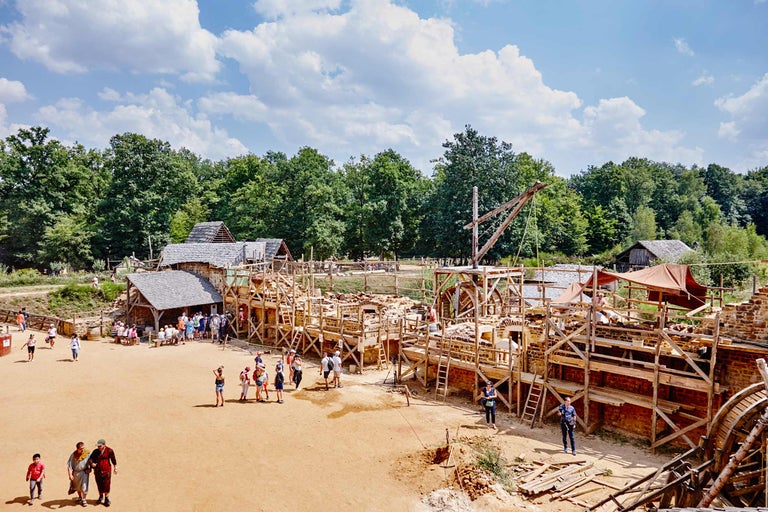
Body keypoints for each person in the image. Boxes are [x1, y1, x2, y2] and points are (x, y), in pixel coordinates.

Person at [89, 439, 117, 507]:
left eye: (100, 446)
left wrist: (115, 467)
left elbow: (113, 459)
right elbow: (90, 459)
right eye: (98, 446)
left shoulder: (109, 450)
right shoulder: (95, 451)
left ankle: (107, 499)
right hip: (98, 471)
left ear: (104, 445)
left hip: (106, 470)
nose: (98, 447)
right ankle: (101, 496)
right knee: (99, 484)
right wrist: (92, 464)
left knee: (107, 484)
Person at [67, 441, 91, 507]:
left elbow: (91, 461)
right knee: (77, 487)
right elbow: (69, 466)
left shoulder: (87, 453)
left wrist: (90, 468)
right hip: (76, 473)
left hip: (84, 472)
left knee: (84, 486)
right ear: (77, 449)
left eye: (83, 448)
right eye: (81, 449)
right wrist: (70, 475)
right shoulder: (73, 455)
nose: (83, 450)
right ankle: (80, 497)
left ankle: (84, 500)